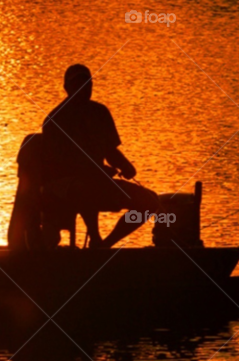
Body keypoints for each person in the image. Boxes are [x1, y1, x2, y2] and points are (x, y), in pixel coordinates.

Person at [38, 64, 159, 248]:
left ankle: (104, 246)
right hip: (62, 183)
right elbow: (58, 165)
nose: (84, 89)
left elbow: (110, 151)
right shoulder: (55, 120)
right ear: (67, 88)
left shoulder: (100, 113)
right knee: (84, 187)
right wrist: (97, 171)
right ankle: (95, 235)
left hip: (98, 180)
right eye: (78, 84)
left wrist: (125, 165)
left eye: (87, 84)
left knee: (150, 200)